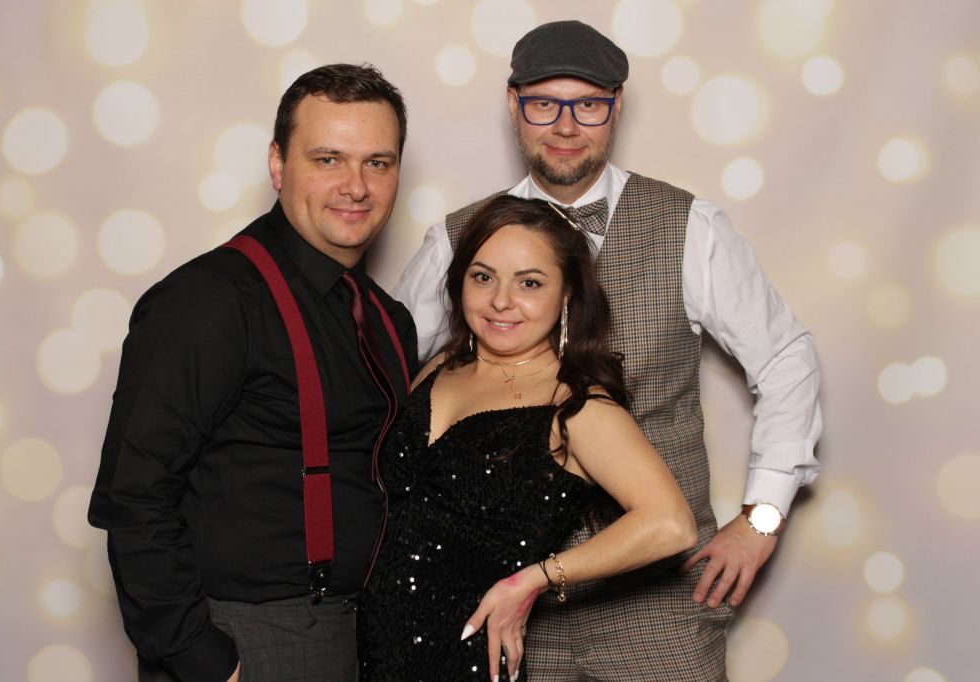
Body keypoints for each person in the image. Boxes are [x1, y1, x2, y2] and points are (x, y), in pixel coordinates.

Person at [394, 20, 823, 681]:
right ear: (513, 105)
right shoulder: (460, 239)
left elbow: (785, 358)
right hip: (504, 610)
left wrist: (762, 517)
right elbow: (387, 378)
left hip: (657, 605)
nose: (566, 126)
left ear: (617, 106)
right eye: (544, 103)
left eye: (588, 105)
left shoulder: (689, 227)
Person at [88, 63, 417, 682]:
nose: (356, 186)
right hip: (245, 637)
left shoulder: (388, 319)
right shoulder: (209, 300)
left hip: (362, 635)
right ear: (277, 164)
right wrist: (204, 661)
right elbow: (133, 497)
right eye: (328, 159)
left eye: (378, 162)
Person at [357, 195, 697, 682]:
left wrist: (535, 579)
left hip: (461, 655)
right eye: (483, 277)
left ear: (567, 294)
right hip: (368, 644)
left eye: (529, 283)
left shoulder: (576, 405)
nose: (500, 301)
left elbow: (671, 524)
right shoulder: (439, 368)